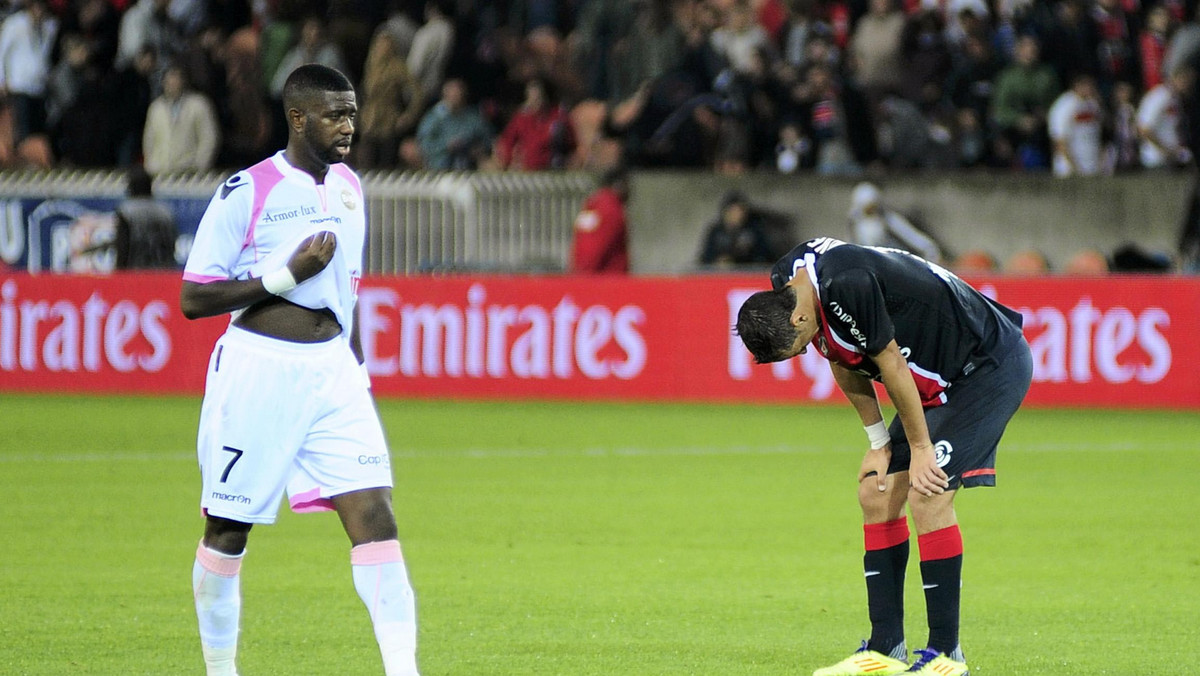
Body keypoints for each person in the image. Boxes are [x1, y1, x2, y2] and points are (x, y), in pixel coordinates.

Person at [179, 64, 419, 676]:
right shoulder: (248, 189)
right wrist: (285, 276)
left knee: (377, 517)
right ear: (298, 118)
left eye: (353, 112)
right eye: (336, 113)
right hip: (259, 373)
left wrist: (356, 369)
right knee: (229, 531)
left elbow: (350, 288)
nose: (349, 125)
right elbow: (194, 297)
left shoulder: (348, 186)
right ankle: (221, 668)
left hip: (333, 375)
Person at [735, 237, 1032, 676]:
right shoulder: (791, 283)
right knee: (877, 493)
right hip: (939, 376)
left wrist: (920, 449)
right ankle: (885, 649)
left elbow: (889, 362)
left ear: (798, 315)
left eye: (795, 346)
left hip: (985, 364)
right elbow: (836, 351)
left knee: (927, 492)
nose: (802, 352)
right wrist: (878, 441)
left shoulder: (846, 284)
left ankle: (948, 656)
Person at [142, 64, 220, 174]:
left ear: (183, 80)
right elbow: (148, 140)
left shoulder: (199, 104)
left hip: (189, 171)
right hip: (159, 172)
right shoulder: (156, 108)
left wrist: (200, 166)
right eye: (168, 80)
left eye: (175, 78)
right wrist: (150, 164)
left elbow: (209, 138)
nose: (172, 83)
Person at [847, 183, 942, 264]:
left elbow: (909, 235)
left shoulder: (887, 219)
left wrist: (928, 248)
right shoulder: (855, 221)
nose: (871, 210)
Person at [570, 165, 630, 274]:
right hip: (607, 281)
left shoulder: (591, 206)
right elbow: (598, 249)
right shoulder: (611, 209)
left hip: (582, 276)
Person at [115, 166, 177, 269]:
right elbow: (172, 243)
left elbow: (123, 248)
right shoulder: (166, 212)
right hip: (164, 272)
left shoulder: (127, 211)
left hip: (136, 273)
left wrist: (119, 273)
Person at [1137, 65, 1196, 169]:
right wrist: (1165, 150)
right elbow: (1144, 129)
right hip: (1157, 160)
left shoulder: (1176, 98)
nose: (1189, 84)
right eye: (1185, 79)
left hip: (1172, 159)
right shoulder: (1159, 97)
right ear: (1174, 78)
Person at [698, 190, 775, 268]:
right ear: (725, 212)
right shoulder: (716, 232)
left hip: (747, 275)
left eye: (740, 211)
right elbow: (705, 259)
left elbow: (764, 258)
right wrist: (718, 262)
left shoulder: (754, 231)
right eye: (733, 211)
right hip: (720, 277)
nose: (737, 215)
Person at [1047, 73, 1104, 177]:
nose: (1091, 89)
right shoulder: (1063, 106)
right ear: (1077, 86)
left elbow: (1098, 135)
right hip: (1069, 170)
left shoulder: (1093, 105)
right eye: (1088, 86)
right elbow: (1059, 140)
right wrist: (1073, 167)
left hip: (1091, 167)